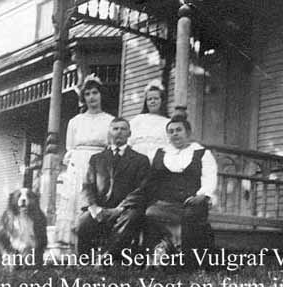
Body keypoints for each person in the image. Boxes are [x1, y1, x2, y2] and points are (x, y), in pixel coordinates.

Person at [122, 115, 218, 252]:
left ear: (188, 133)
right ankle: (156, 255)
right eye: (171, 131)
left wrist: (202, 195)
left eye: (179, 130)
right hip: (164, 201)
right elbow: (149, 180)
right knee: (150, 212)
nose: (175, 134)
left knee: (190, 216)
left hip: (190, 202)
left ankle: (186, 259)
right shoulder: (160, 153)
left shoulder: (202, 153)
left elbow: (210, 178)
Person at [55, 74, 115, 249]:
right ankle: (73, 250)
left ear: (101, 95)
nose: (92, 97)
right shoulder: (75, 121)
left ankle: (96, 249)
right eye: (87, 94)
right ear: (84, 98)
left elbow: (111, 147)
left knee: (95, 205)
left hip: (100, 166)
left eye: (95, 92)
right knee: (76, 204)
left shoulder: (110, 120)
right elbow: (70, 147)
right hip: (79, 166)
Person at [77, 117, 150, 258]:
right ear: (109, 133)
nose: (119, 132)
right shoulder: (96, 158)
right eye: (115, 129)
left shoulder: (140, 159)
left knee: (131, 218)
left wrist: (120, 209)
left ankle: (106, 257)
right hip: (100, 208)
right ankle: (84, 260)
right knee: (84, 220)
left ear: (130, 133)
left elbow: (142, 189)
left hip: (125, 208)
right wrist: (93, 207)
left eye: (123, 129)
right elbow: (87, 186)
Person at [128, 80, 170, 160]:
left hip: (157, 162)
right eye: (149, 99)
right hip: (137, 161)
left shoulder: (168, 122)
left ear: (162, 100)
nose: (152, 101)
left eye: (156, 99)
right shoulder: (137, 120)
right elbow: (128, 142)